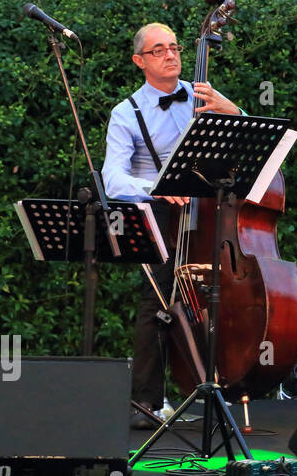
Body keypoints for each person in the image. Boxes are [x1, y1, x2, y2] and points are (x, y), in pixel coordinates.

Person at [102, 23, 241, 428]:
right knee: (157, 302)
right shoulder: (126, 112)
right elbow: (113, 179)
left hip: (211, 214)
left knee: (221, 298)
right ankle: (145, 402)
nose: (171, 55)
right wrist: (157, 188)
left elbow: (254, 139)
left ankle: (226, 386)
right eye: (159, 50)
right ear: (139, 61)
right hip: (160, 215)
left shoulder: (203, 95)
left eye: (175, 47)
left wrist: (233, 112)